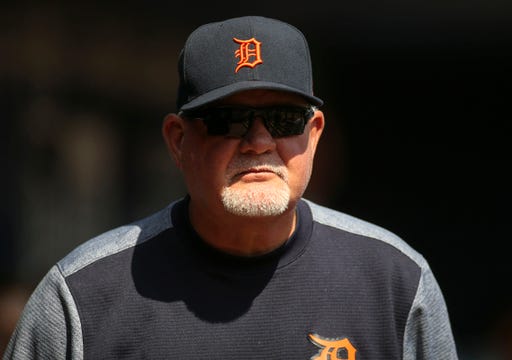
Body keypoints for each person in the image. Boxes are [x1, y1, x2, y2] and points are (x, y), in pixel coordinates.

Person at [4, 16, 458, 359]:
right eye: (229, 120)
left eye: (284, 120)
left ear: (314, 133)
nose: (259, 141)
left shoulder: (394, 282)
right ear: (178, 140)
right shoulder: (84, 297)